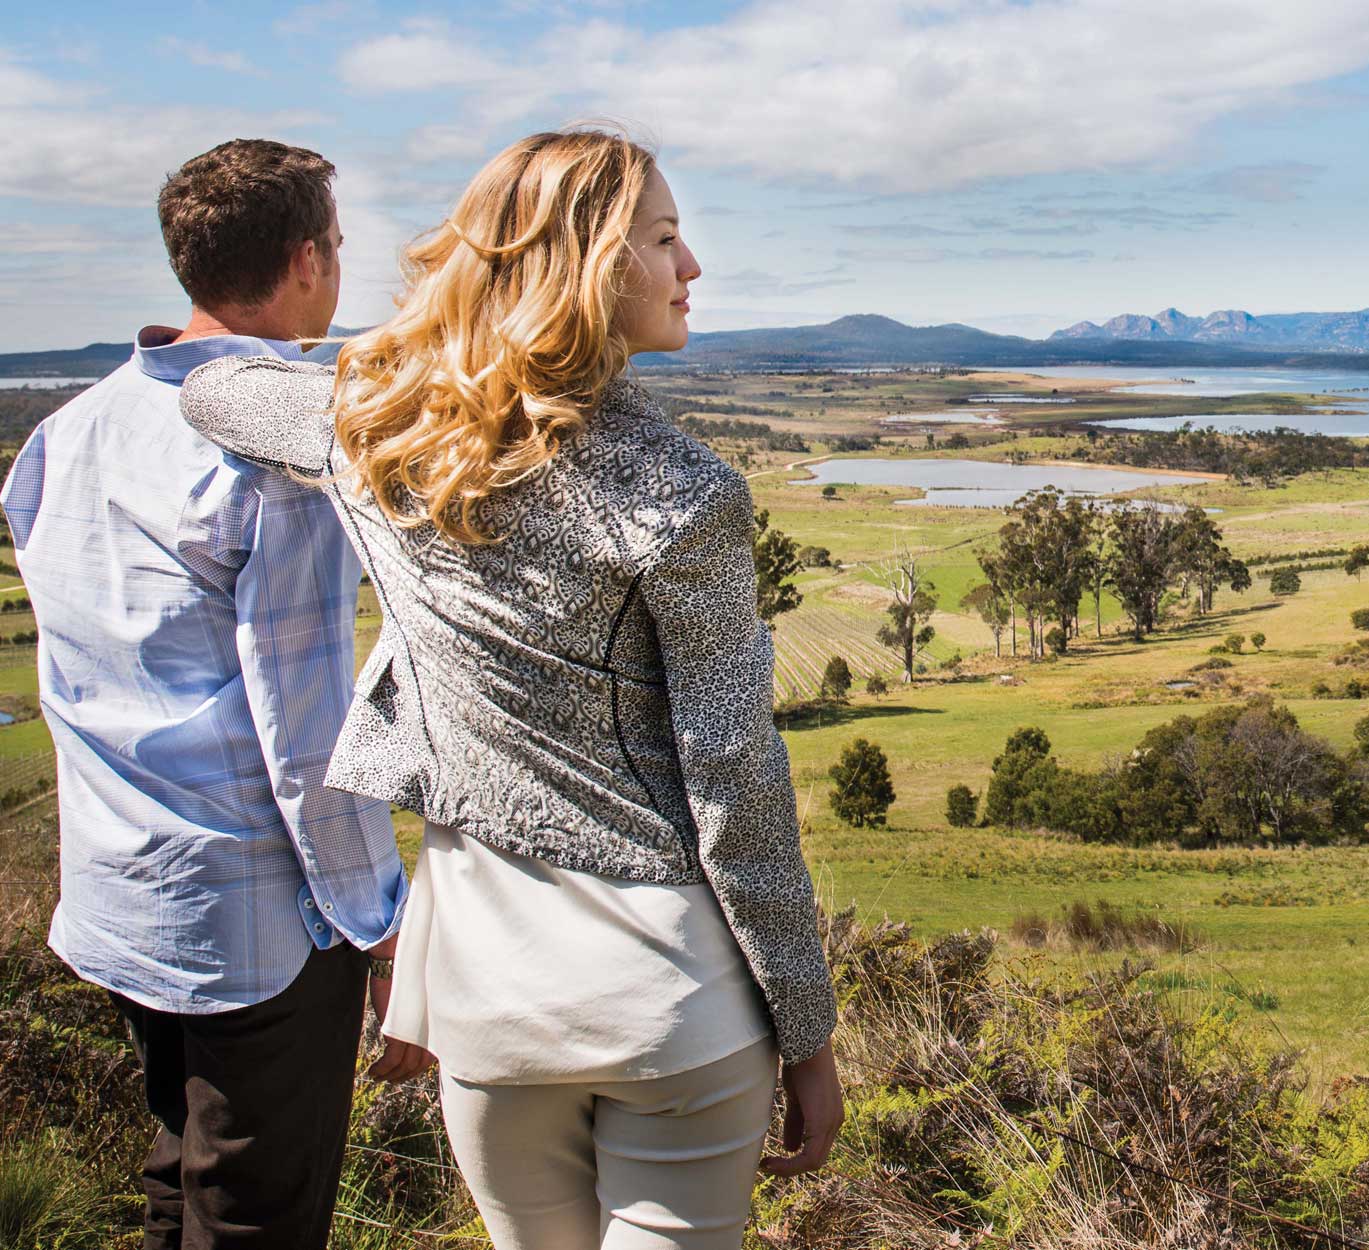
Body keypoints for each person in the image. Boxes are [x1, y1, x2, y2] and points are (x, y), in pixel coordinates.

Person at [179, 127, 843, 1250]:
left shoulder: (377, 436)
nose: (693, 269)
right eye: (667, 239)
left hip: (486, 1000)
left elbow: (215, 389)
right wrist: (809, 1035)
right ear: (584, 266)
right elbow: (737, 789)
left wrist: (422, 350)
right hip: (668, 1002)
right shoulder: (683, 493)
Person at [2, 139, 416, 1249]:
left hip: (127, 894)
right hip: (257, 925)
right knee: (254, 1216)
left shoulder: (68, 430)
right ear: (302, 261)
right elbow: (308, 731)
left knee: (175, 1173)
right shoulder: (280, 453)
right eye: (335, 244)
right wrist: (381, 926)